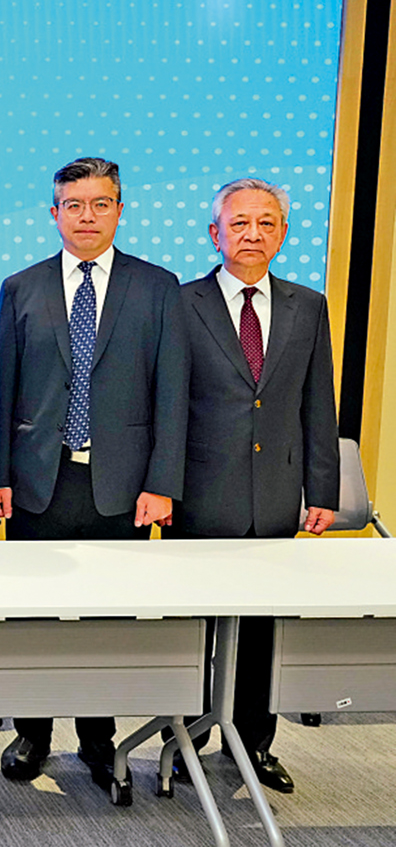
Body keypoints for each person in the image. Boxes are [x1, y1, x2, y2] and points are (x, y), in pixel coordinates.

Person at [0, 156, 188, 794]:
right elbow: (1, 391)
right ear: (54, 214)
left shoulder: (157, 286)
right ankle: (32, 732)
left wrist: (162, 482)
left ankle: (99, 739)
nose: (86, 217)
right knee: (33, 619)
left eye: (100, 204)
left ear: (120, 211)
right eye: (73, 205)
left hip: (122, 487)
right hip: (37, 482)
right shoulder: (20, 287)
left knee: (108, 621)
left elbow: (171, 393)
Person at [165, 177, 339, 794]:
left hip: (275, 495)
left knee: (263, 631)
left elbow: (318, 402)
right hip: (198, 492)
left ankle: (255, 744)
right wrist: (162, 486)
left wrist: (322, 491)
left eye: (266, 223)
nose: (253, 234)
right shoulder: (179, 303)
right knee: (194, 630)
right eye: (239, 223)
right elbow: (167, 405)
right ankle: (185, 742)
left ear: (284, 234)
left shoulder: (307, 305)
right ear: (215, 233)